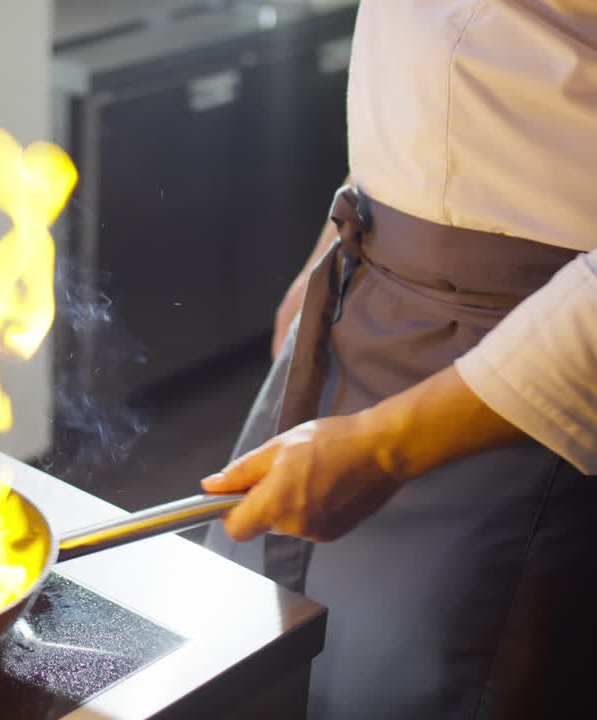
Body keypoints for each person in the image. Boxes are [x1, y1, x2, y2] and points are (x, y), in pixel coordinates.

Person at [201, 2, 597, 719]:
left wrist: (387, 449)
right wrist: (336, 246)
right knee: (240, 649)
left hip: (530, 363)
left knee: (404, 690)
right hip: (367, 293)